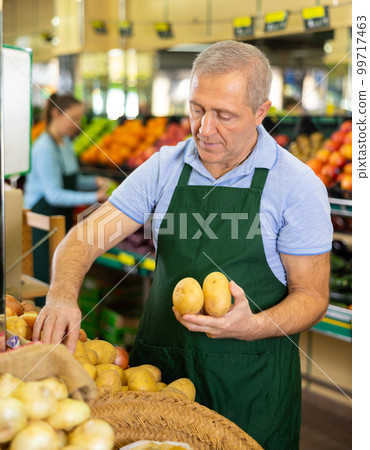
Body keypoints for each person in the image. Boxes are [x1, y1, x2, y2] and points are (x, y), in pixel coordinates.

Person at [33, 41, 332, 449]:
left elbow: (312, 295)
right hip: (159, 379)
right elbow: (84, 237)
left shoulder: (297, 186)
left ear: (261, 113)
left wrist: (252, 326)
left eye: (224, 115)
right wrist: (63, 294)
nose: (205, 130)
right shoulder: (165, 166)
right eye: (197, 109)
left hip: (250, 390)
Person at [23, 93, 111, 283]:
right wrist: (94, 196)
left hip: (59, 220)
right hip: (41, 222)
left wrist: (94, 181)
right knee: (44, 279)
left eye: (80, 119)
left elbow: (72, 180)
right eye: (74, 118)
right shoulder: (44, 147)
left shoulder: (65, 143)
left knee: (60, 274)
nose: (78, 124)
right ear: (56, 114)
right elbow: (54, 194)